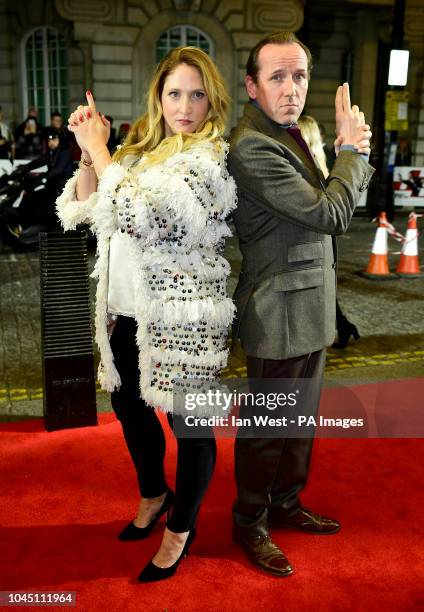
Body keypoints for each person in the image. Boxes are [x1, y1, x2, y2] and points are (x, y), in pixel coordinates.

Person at [56, 46, 237, 582]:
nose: (185, 105)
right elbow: (88, 210)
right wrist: (90, 154)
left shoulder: (210, 160)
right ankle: (155, 495)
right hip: (123, 315)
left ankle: (181, 528)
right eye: (175, 92)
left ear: (212, 101)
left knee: (193, 430)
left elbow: (145, 213)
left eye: (197, 94)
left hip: (186, 325)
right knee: (132, 416)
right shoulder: (137, 153)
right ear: (158, 97)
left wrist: (102, 153)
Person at [228, 31, 374, 577]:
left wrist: (346, 156)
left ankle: (285, 505)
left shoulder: (286, 134)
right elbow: (332, 214)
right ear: (252, 85)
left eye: (300, 76)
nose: (292, 89)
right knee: (268, 430)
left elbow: (330, 208)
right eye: (277, 77)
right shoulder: (253, 145)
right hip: (278, 311)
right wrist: (350, 152)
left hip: (310, 306)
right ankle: (249, 521)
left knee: (299, 424)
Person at [298, 115, 360, 349]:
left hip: (317, 239)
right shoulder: (322, 162)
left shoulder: (312, 166)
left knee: (321, 292)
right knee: (324, 292)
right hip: (321, 240)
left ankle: (342, 326)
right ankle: (344, 326)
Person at [1, 128, 73, 236]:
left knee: (38, 200)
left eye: (53, 139)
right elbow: (39, 161)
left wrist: (42, 176)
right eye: (49, 140)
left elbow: (58, 170)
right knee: (30, 196)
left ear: (60, 140)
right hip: (52, 186)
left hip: (62, 188)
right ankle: (25, 226)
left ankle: (35, 228)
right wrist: (25, 167)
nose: (50, 142)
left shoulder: (65, 152)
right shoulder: (51, 153)